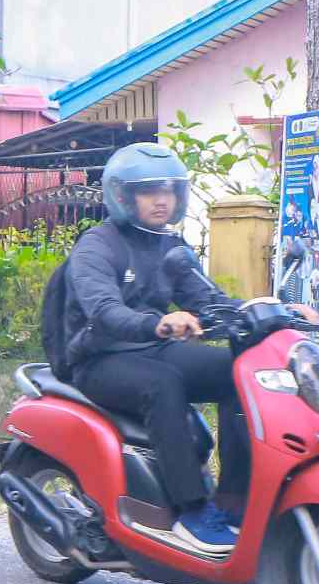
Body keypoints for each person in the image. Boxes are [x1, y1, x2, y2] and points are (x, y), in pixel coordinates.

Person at [60, 142, 247, 554]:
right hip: (100, 359)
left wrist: (273, 310)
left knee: (240, 372)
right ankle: (191, 512)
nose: (162, 200)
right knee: (163, 384)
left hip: (151, 347)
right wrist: (158, 323)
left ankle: (233, 500)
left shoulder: (169, 247)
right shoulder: (97, 246)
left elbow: (209, 301)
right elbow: (104, 311)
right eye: (148, 191)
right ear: (122, 196)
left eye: (168, 190)